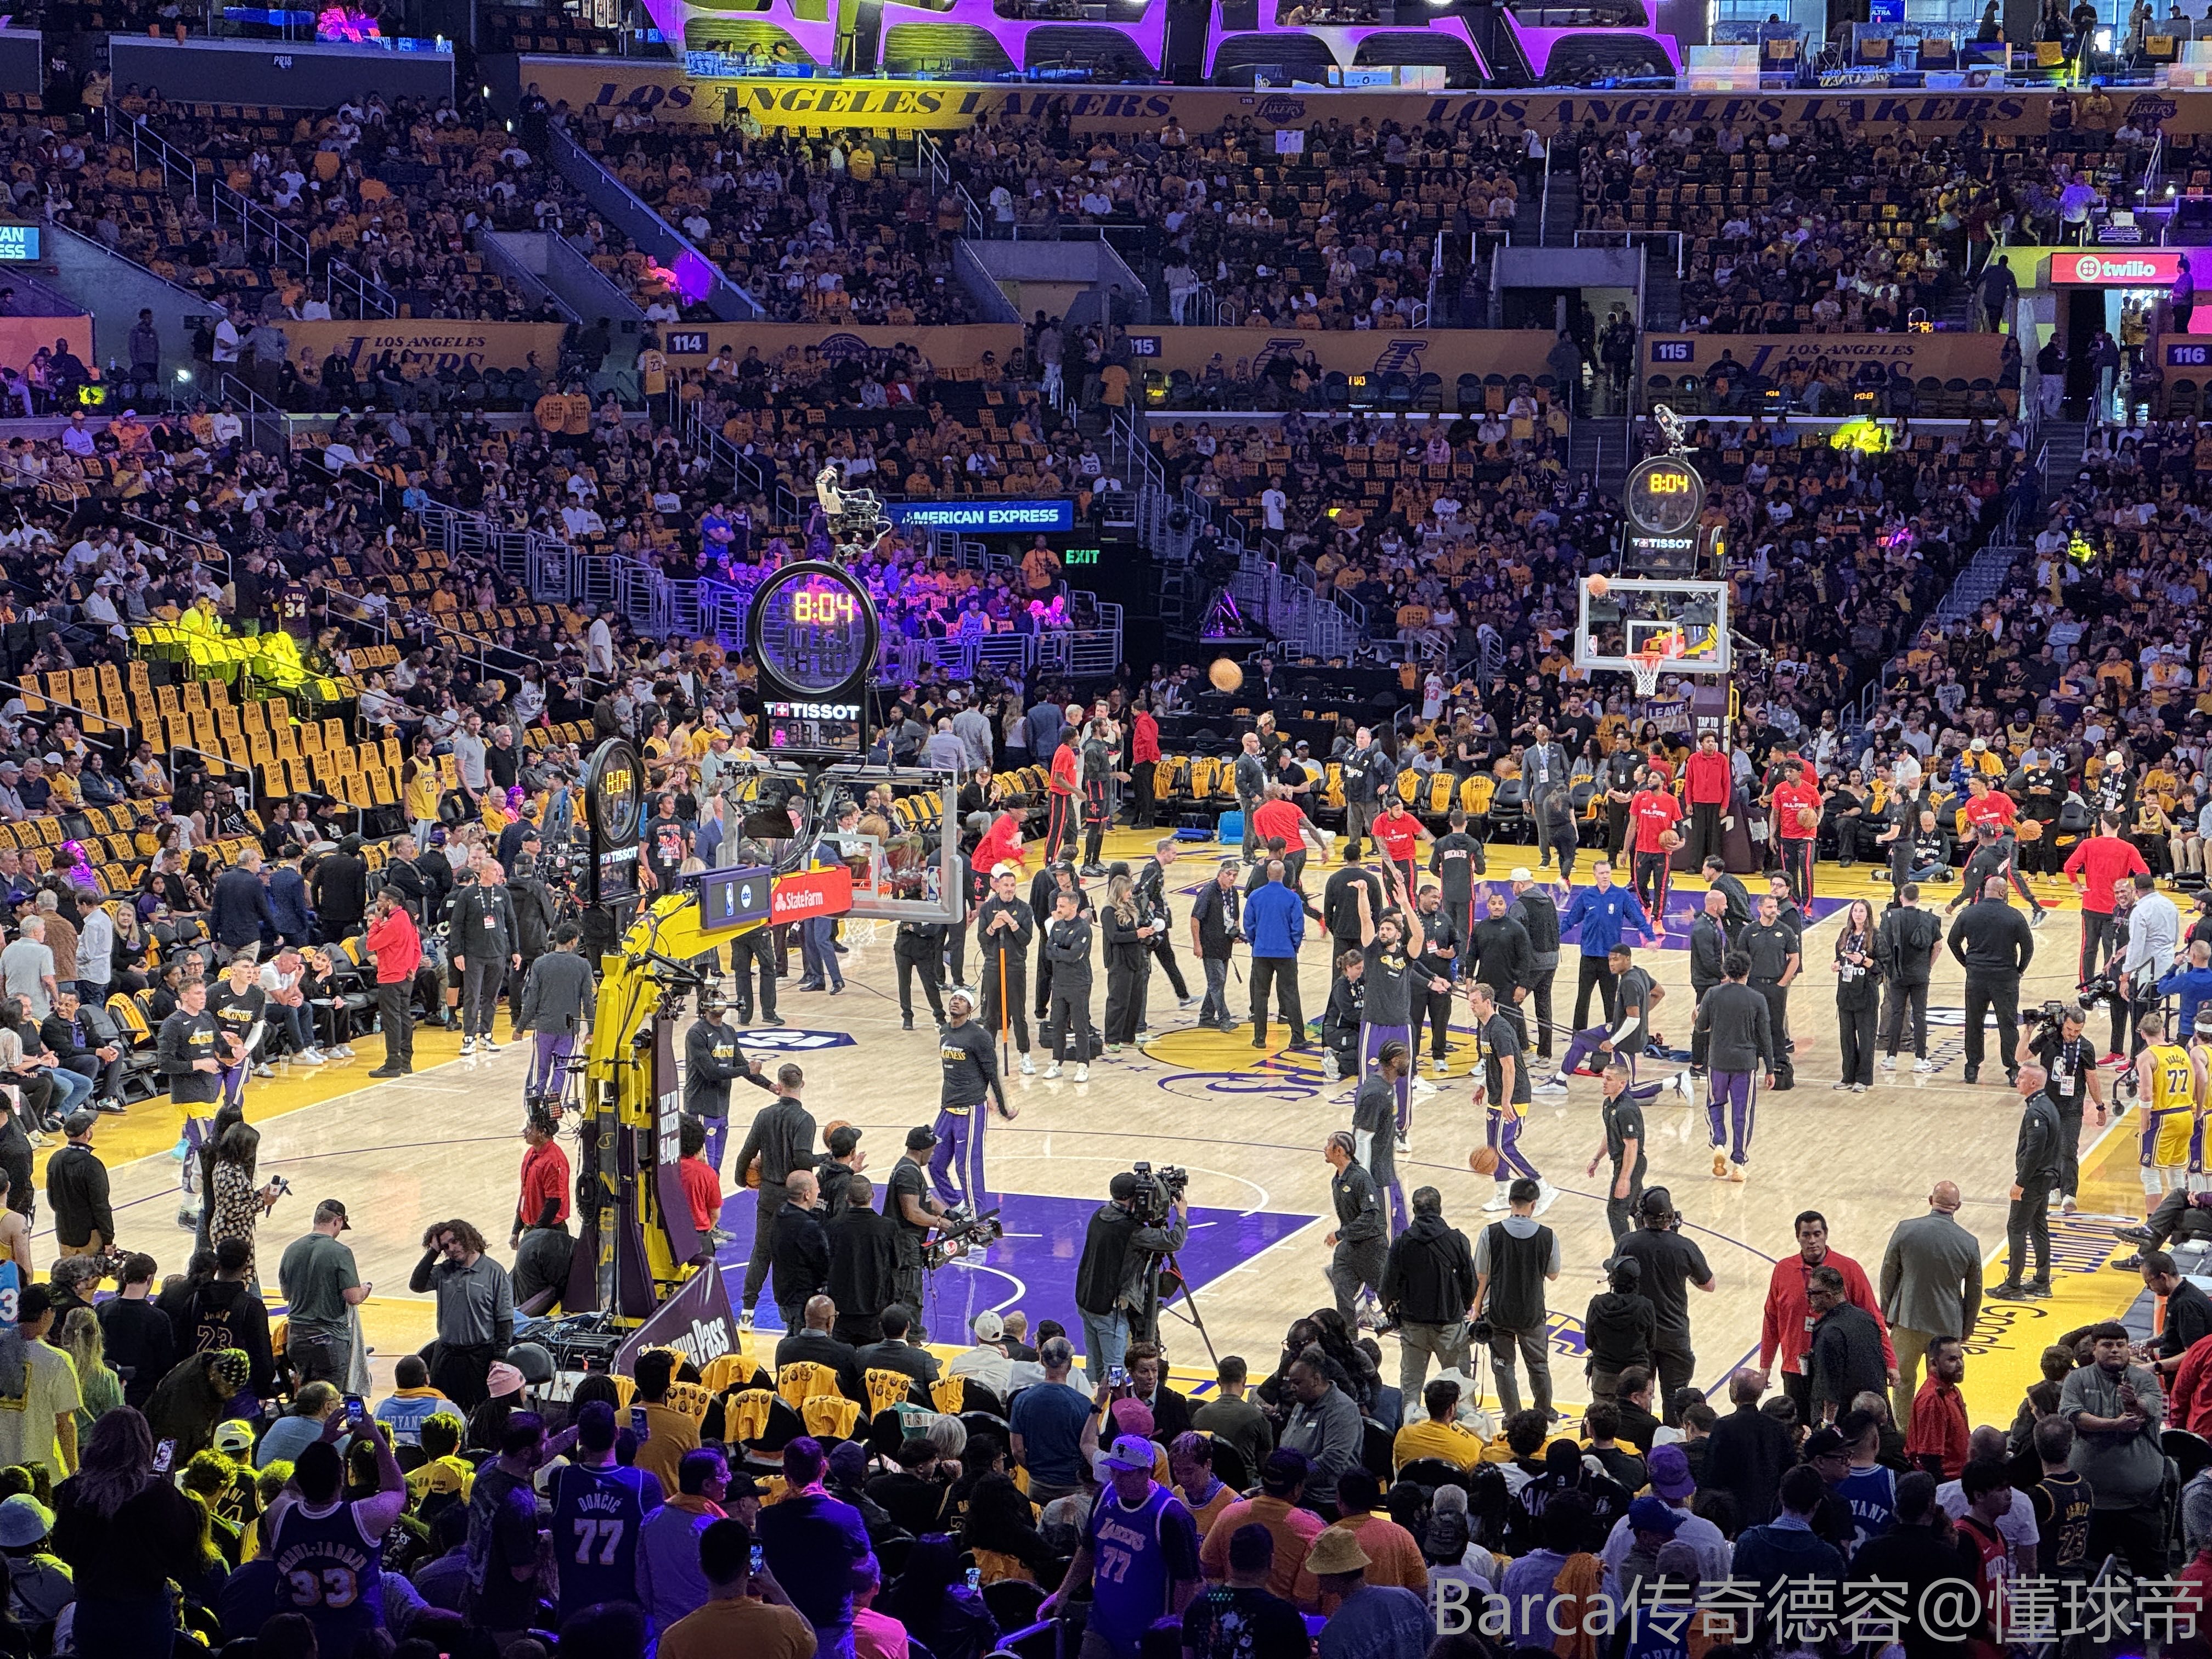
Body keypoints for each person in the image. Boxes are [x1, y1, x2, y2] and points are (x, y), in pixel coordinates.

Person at [1044, 1432, 1201, 1659]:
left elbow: (1188, 1581)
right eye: (1114, 1471)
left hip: (1146, 1633)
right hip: (1102, 1625)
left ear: (1146, 1472)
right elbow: (1088, 1549)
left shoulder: (1169, 1516)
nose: (1117, 1479)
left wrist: (1176, 1633)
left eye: (1125, 1474)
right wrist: (1063, 1592)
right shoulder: (1104, 1496)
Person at [266, 1413, 408, 1652]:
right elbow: (395, 1489)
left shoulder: (279, 1515)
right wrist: (377, 1438)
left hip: (301, 1644)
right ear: (342, 1479)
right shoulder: (361, 1518)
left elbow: (291, 1488)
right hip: (360, 1644)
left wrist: (322, 1442)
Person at [2059, 1320, 2167, 1577]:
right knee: (2091, 1574)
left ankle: (2156, 1606)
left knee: (2152, 1574)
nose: (2115, 1350)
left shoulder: (2145, 1379)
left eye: (2121, 1345)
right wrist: (2114, 1424)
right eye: (2107, 1345)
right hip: (2091, 1503)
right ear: (2094, 1349)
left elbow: (2151, 1409)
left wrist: (2135, 1403)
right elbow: (2073, 1416)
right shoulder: (2077, 1379)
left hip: (2141, 1502)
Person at [1878, 1180, 1982, 1433]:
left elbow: (1888, 1273)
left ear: (1930, 1201)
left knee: (1902, 1381)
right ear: (1958, 1206)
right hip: (1947, 1327)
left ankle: (1905, 1433)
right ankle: (1937, 1432)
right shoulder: (1969, 1242)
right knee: (1941, 1385)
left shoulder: (1906, 1230)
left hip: (1907, 1318)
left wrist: (1887, 1311)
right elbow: (1974, 1291)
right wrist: (1967, 1328)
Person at [549, 1400, 663, 1624]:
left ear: (581, 1439)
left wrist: (575, 1432)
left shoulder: (561, 1479)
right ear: (617, 1434)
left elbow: (537, 1462)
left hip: (575, 1610)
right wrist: (633, 1448)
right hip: (624, 1612)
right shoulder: (644, 1483)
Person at [1075, 1169, 1188, 1376]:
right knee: (1115, 1369)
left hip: (1086, 1301)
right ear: (1133, 1198)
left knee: (1095, 1365)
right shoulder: (1131, 1231)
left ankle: (1093, 1396)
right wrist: (1182, 1215)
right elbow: (1174, 1241)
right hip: (1109, 1309)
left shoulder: (1099, 1215)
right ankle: (1113, 1397)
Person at [1617, 1189, 1716, 1424]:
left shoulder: (1627, 1242)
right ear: (1671, 1215)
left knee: (1638, 1394)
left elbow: (1617, 1276)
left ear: (1641, 1216)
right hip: (1674, 1332)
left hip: (1639, 1333)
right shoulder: (1684, 1246)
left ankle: (1642, 1438)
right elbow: (1709, 1285)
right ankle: (1673, 1439)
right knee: (1674, 1395)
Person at [733, 1062, 816, 1329]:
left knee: (761, 1253)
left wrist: (741, 1180)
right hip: (794, 1198)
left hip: (768, 1194)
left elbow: (747, 1153)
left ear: (779, 1085)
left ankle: (747, 1312)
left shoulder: (764, 1115)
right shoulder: (805, 1120)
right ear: (802, 1084)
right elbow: (802, 1160)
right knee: (794, 1256)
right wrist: (825, 1159)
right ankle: (793, 1316)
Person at [659, 1518, 815, 1659]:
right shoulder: (783, 1622)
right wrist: (775, 1590)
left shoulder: (674, 1639)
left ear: (702, 1568)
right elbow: (810, 1646)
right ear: (749, 1567)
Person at [1473, 1176, 1560, 1420]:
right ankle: (1543, 1414)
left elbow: (1481, 1275)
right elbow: (1553, 1274)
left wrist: (1476, 1308)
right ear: (1534, 1204)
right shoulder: (1548, 1236)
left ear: (1511, 1202)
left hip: (1498, 1311)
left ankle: (1512, 1417)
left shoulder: (1490, 1233)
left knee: (1503, 1367)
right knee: (1539, 1366)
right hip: (1532, 1313)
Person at [1379, 1184, 1475, 1405]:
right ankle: (1467, 1427)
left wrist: (1391, 1312)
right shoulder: (1457, 1240)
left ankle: (1407, 1426)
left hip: (1413, 1325)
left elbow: (1388, 1286)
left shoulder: (1402, 1242)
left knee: (1411, 1387)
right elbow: (1470, 1282)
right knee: (1460, 1386)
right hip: (1449, 1325)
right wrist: (1461, 1307)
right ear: (1439, 1209)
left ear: (1415, 1210)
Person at [409, 1218, 512, 1409]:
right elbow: (416, 1285)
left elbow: (505, 1319)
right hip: (447, 1354)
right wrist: (433, 1252)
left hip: (480, 1356)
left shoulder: (494, 1272)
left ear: (468, 1238)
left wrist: (499, 1357)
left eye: (455, 1241)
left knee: (478, 1410)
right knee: (440, 1410)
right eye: (445, 1246)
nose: (451, 1249)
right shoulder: (444, 1271)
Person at [931, 986, 1015, 1209]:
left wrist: (1002, 1107)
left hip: (970, 1108)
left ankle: (977, 1216)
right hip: (947, 1106)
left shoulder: (979, 1036)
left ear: (970, 1009)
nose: (956, 1002)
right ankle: (958, 1207)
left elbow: (992, 1073)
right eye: (954, 998)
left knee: (967, 1167)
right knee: (934, 1162)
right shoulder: (945, 1031)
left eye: (962, 1000)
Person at [1697, 950, 1775, 1181]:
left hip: (1718, 1061)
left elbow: (1701, 1026)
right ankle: (1739, 1164)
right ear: (1748, 971)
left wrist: (1696, 1016)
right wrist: (1770, 1068)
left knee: (1715, 1104)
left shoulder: (1712, 994)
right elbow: (1765, 1037)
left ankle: (1719, 1142)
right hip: (1745, 1063)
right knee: (1743, 1113)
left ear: (1726, 971)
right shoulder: (1757, 998)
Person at [1469, 982, 1548, 1210]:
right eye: (1470, 1002)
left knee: (1504, 1146)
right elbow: (1492, 1063)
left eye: (1475, 1002)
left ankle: (1541, 1187)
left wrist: (1506, 1101)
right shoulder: (1485, 1027)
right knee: (1494, 1148)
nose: (1471, 1006)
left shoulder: (1500, 1029)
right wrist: (1483, 1085)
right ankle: (1503, 1194)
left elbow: (1509, 1068)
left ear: (1487, 1002)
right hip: (1497, 1094)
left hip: (1514, 1096)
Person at [1182, 1522, 1308, 1659]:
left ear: (1230, 1558)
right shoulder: (1283, 1614)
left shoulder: (1203, 1601)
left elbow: (1187, 1654)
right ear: (1271, 1561)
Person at [1993, 1065, 2063, 1302]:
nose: (2017, 1080)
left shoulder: (2037, 1112)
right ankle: (2042, 1281)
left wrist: (2020, 1183)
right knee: (2038, 1225)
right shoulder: (2047, 1105)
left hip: (2034, 1180)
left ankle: (2013, 1284)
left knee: (2016, 1228)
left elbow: (2035, 1150)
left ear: (2034, 1083)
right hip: (2045, 1177)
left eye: (2022, 1077)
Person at [278, 1199, 367, 1386]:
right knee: (328, 1397)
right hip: (329, 1340)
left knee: (305, 1394)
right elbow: (353, 1297)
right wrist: (365, 1290)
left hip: (297, 1338)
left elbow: (286, 1295)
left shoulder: (291, 1249)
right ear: (338, 1221)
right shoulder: (340, 1252)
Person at [514, 922, 593, 1102]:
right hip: (568, 1028)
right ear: (573, 941)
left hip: (545, 1027)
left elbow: (531, 1000)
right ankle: (554, 1107)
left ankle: (536, 1108)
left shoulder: (540, 964)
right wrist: (592, 1029)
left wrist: (520, 1028)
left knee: (540, 1070)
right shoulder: (583, 965)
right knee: (561, 1068)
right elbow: (588, 1001)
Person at [1322, 1131, 1388, 1328]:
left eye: (1329, 1145)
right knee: (1342, 1293)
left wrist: (1340, 1234)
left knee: (1388, 1293)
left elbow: (1371, 1216)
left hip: (1372, 1247)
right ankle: (1350, 1340)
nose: (1325, 1149)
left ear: (1339, 1151)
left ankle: (1407, 1325)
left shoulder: (1360, 1178)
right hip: (1349, 1247)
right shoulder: (1337, 1180)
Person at [975, 865, 1037, 1072]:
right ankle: (987, 1057)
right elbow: (982, 939)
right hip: (994, 965)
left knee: (1018, 1014)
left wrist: (1012, 923)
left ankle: (1025, 1055)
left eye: (1012, 885)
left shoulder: (1025, 909)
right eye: (1006, 885)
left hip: (1015, 966)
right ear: (998, 886)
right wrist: (993, 926)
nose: (1009, 889)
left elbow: (1026, 940)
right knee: (991, 1015)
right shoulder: (987, 908)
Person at [1877, 883, 1943, 1071]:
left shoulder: (1890, 917)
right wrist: (1928, 967)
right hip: (1920, 974)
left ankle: (1891, 1058)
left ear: (1901, 898)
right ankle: (1921, 1059)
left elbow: (1883, 945)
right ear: (1918, 898)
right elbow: (1938, 946)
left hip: (1898, 974)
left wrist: (1889, 968)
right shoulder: (1928, 919)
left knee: (1897, 1013)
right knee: (1920, 1015)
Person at [1245, 860, 1308, 1052]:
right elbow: (1298, 926)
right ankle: (1297, 1038)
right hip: (1286, 952)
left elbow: (1249, 925)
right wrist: (1293, 946)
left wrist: (1256, 943)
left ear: (1267, 873)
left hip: (1262, 952)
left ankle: (1259, 1039)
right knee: (1291, 993)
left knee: (1260, 995)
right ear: (1283, 875)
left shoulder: (1255, 896)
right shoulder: (1293, 898)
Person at [1588, 1061, 1647, 1251]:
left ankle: (1626, 1253)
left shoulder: (1626, 1109)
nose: (1604, 1082)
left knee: (1616, 1211)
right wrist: (1597, 1158)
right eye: (1603, 1078)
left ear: (1622, 1084)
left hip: (1631, 1163)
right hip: (1620, 1161)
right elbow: (1610, 1133)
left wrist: (1624, 1178)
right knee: (1638, 1209)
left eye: (1609, 1079)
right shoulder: (1608, 1104)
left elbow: (1632, 1145)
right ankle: (1649, 1246)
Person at [364, 890, 420, 1077]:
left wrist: (377, 921)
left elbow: (371, 944)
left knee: (392, 1021)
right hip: (406, 978)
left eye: (380, 900)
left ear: (390, 902)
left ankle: (393, 1064)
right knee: (404, 1018)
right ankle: (406, 1061)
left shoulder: (394, 923)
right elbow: (417, 949)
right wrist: (413, 968)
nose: (377, 905)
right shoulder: (408, 919)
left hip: (391, 978)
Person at [1043, 889, 1097, 1081]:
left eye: (1062, 906)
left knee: (1080, 1026)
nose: (1058, 909)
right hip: (1059, 983)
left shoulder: (1083, 928)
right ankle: (1057, 1062)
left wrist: (1059, 950)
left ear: (1074, 907)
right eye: (1058, 905)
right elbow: (1048, 951)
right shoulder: (1057, 926)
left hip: (1079, 983)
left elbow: (1074, 956)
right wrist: (1062, 951)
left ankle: (1083, 1065)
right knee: (1058, 1025)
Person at [46, 1109, 111, 1259]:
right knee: (90, 1273)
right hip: (89, 1234)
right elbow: (101, 1206)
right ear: (86, 1133)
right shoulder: (92, 1165)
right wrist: (108, 1238)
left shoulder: (55, 1159)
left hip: (64, 1231)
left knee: (68, 1272)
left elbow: (52, 1200)